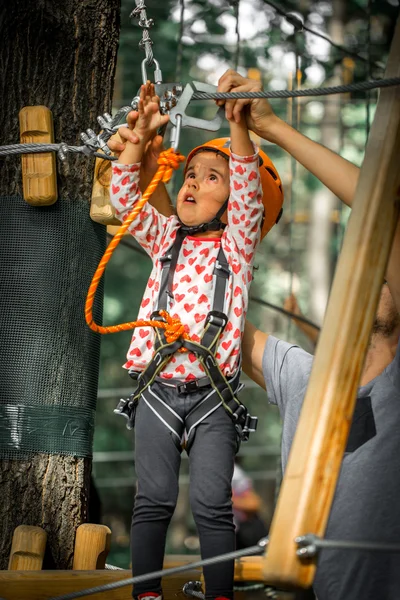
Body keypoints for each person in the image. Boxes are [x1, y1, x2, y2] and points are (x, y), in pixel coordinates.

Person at [215, 71, 400, 600]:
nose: (380, 269)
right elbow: (207, 310)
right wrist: (148, 192)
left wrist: (274, 128)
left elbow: (383, 213)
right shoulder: (302, 376)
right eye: (369, 263)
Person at [109, 81, 284, 600]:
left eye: (212, 179)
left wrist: (238, 126)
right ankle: (146, 594)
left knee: (212, 503)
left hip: (214, 396)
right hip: (157, 390)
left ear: (234, 205)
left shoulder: (237, 243)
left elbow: (249, 189)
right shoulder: (164, 238)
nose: (191, 184)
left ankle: (220, 595)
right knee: (154, 499)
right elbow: (124, 197)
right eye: (190, 176)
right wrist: (139, 141)